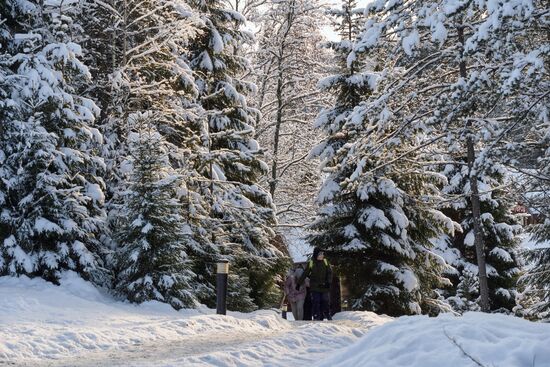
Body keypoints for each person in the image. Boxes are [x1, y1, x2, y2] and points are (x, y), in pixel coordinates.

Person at [298, 247, 333, 321]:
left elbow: (330, 273)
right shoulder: (311, 262)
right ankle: (316, 316)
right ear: (316, 254)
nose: (322, 256)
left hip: (324, 285)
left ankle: (327, 314)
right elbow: (305, 273)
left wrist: (328, 282)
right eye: (320, 254)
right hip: (315, 286)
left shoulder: (326, 262)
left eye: (322, 254)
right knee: (316, 301)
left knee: (325, 301)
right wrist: (299, 284)